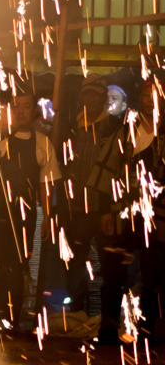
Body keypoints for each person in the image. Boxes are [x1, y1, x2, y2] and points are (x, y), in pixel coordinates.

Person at [89, 77, 164, 344]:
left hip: (157, 215)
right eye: (145, 93)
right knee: (113, 272)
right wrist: (106, 210)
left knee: (154, 274)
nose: (149, 98)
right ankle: (108, 327)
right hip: (123, 211)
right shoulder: (124, 132)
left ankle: (146, 330)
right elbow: (107, 171)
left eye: (155, 94)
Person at [0, 90, 62, 328]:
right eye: (16, 106)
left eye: (26, 106)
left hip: (25, 217)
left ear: (33, 110)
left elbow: (45, 184)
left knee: (19, 267)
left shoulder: (42, 143)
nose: (21, 111)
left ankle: (12, 322)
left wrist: (47, 216)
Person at [60, 76, 121, 316]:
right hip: (75, 207)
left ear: (103, 98)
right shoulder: (71, 126)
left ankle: (108, 319)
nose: (90, 98)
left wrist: (112, 205)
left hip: (103, 206)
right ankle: (76, 313)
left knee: (110, 263)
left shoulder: (114, 127)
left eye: (95, 94)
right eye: (87, 94)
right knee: (74, 263)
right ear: (81, 98)